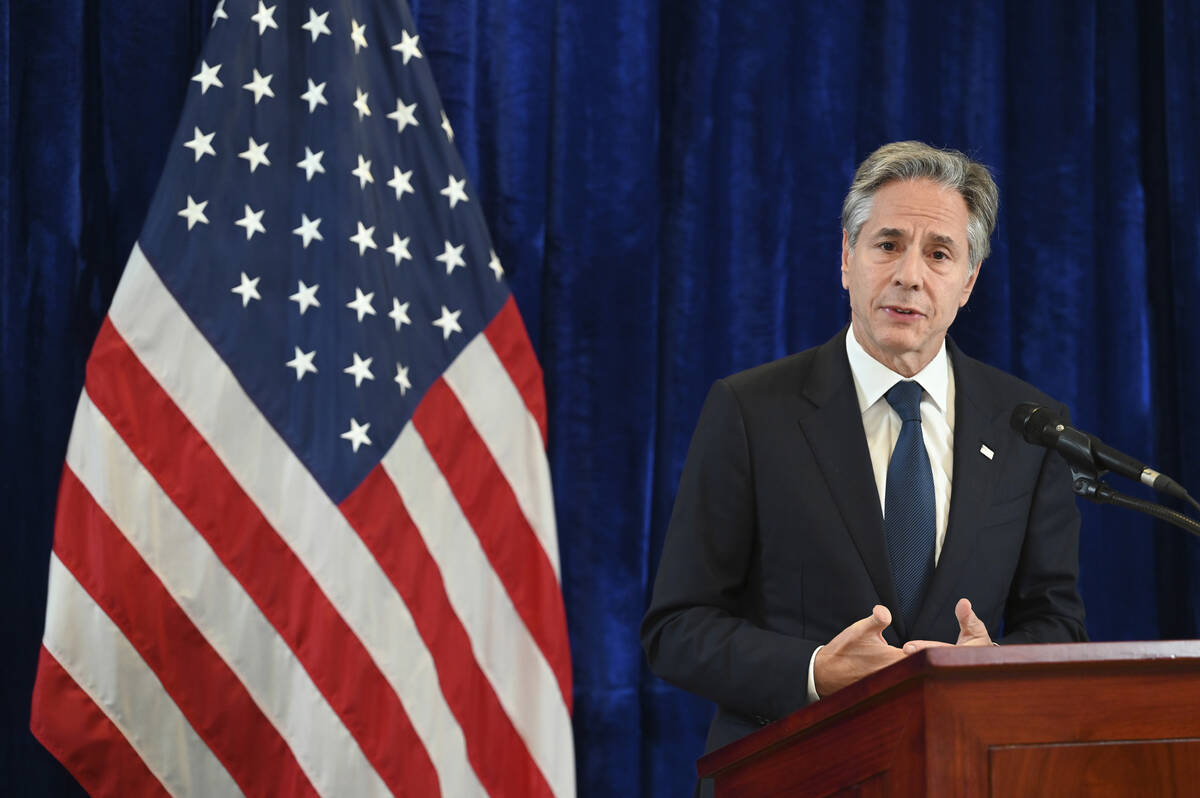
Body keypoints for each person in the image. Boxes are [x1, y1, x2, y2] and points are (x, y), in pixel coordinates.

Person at [640, 141, 1087, 795]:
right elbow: (677, 628)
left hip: (962, 774)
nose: (910, 274)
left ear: (968, 280)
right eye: (887, 245)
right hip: (790, 774)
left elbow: (1057, 620)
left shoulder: (1028, 423)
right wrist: (817, 669)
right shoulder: (750, 410)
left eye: (938, 253)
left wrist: (996, 669)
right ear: (847, 259)